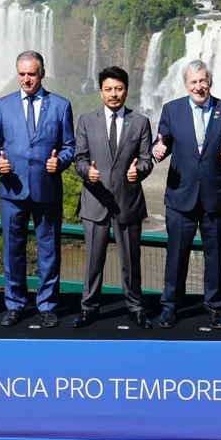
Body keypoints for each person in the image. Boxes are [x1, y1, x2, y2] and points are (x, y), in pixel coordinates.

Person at [152, 59, 221, 329]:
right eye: (193, 82)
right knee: (176, 255)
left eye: (203, 80)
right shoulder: (172, 110)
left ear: (210, 81)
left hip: (216, 198)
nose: (199, 86)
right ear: (186, 84)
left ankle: (215, 307)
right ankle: (170, 306)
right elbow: (162, 142)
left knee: (214, 256)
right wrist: (158, 151)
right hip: (181, 197)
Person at [0, 50, 75, 328]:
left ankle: (47, 305)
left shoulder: (61, 106)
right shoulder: (2, 105)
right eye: (22, 74)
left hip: (46, 188)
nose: (26, 79)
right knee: (12, 250)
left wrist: (60, 162)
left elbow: (69, 146)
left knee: (49, 250)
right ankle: (14, 304)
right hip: (12, 189)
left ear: (42, 74)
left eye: (32, 74)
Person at [73, 66, 154, 329]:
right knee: (93, 261)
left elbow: (146, 159)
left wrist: (139, 171)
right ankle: (88, 307)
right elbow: (79, 158)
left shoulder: (140, 122)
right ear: (101, 92)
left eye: (118, 89)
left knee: (131, 261)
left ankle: (135, 307)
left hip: (127, 202)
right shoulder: (87, 120)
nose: (114, 94)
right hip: (95, 200)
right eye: (108, 89)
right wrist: (87, 172)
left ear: (126, 90)